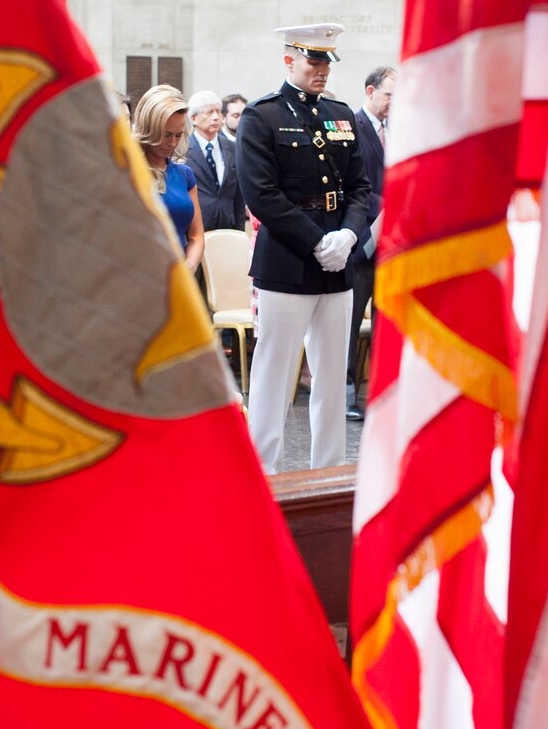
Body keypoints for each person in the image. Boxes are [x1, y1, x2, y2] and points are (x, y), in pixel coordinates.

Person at [236, 23, 370, 474]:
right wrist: (317, 241)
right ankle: (265, 476)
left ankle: (328, 472)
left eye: (327, 63)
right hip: (287, 263)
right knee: (274, 377)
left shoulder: (340, 114)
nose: (322, 71)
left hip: (338, 263)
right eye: (313, 61)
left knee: (332, 379)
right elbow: (262, 196)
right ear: (289, 60)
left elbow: (359, 188)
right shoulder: (261, 116)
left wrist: (350, 235)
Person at [346, 65, 395, 420]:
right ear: (370, 91)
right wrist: (390, 204)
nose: (395, 102)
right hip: (361, 238)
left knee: (386, 319)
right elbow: (353, 183)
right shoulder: (352, 127)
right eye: (389, 94)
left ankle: (380, 391)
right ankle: (346, 390)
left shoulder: (397, 130)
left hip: (392, 244)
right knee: (349, 320)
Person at [133, 84, 204, 273]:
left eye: (178, 135)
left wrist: (190, 266)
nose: (172, 143)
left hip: (178, 278)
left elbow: (196, 235)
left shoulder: (184, 174)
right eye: (165, 135)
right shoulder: (127, 172)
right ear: (149, 129)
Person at [185, 90, 246, 232]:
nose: (216, 117)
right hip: (197, 228)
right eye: (209, 112)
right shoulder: (183, 150)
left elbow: (238, 195)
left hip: (228, 226)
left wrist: (239, 230)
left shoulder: (232, 147)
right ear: (194, 118)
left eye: (218, 112)